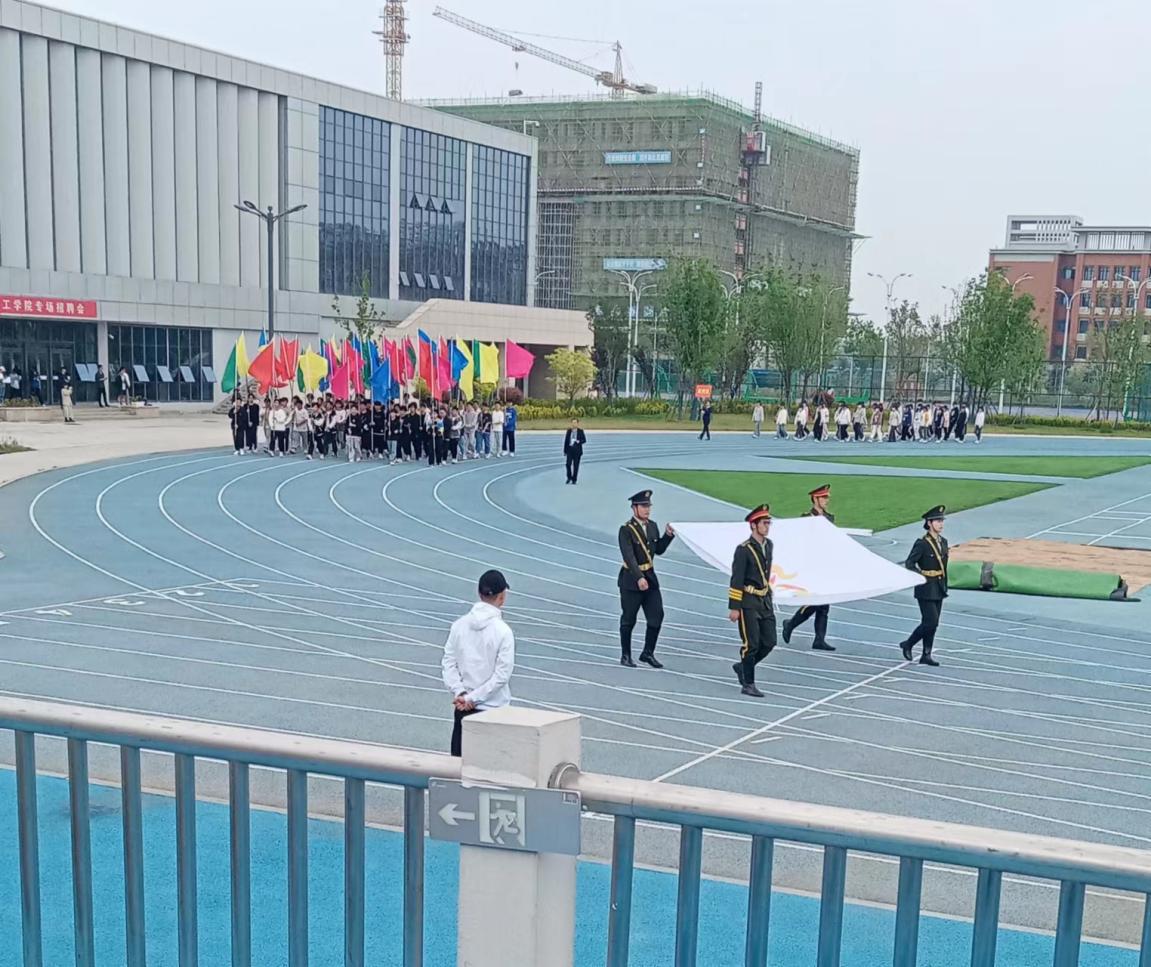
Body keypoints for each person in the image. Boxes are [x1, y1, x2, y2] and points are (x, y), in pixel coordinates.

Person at [441, 569, 515, 758]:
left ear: (479, 593)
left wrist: (460, 693)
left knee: (459, 769)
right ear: (502, 597)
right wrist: (472, 699)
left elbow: (448, 663)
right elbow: (501, 676)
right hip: (494, 712)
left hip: (463, 711)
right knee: (493, 769)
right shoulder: (503, 632)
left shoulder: (458, 625)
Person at [617, 490, 675, 669]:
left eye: (648, 506)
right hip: (631, 579)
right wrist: (639, 577)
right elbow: (629, 556)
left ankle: (647, 653)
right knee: (629, 619)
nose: (647, 509)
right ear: (634, 508)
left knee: (657, 616)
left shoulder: (652, 526)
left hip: (650, 577)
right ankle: (626, 655)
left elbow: (659, 550)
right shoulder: (626, 530)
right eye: (643, 506)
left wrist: (668, 536)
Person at [727, 503, 777, 698]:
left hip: (764, 599)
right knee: (751, 644)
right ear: (753, 525)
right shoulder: (743, 550)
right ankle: (748, 684)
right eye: (764, 523)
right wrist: (734, 607)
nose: (767, 526)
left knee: (770, 641)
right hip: (747, 601)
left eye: (768, 523)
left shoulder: (769, 545)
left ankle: (743, 667)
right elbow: (736, 578)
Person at [782, 484, 838, 652]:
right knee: (815, 602)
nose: (827, 500)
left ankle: (819, 639)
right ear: (815, 499)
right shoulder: (806, 518)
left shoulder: (830, 518)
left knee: (824, 604)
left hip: (825, 565)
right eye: (824, 497)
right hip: (811, 565)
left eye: (827, 497)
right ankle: (790, 624)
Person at [899, 505, 948, 667]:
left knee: (934, 623)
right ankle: (908, 644)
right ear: (929, 523)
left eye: (941, 521)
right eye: (937, 521)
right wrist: (921, 576)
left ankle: (926, 654)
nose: (941, 524)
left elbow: (944, 566)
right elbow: (910, 563)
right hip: (926, 587)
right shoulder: (922, 543)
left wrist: (944, 585)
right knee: (930, 622)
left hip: (939, 586)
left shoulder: (943, 542)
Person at [563, 417, 586, 485]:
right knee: (568, 464)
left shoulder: (580, 431)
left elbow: (584, 440)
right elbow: (566, 441)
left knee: (576, 466)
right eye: (573, 422)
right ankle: (569, 477)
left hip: (577, 451)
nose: (574, 424)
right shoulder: (569, 431)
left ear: (577, 423)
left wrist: (578, 441)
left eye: (575, 422)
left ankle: (574, 479)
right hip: (569, 450)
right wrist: (565, 451)